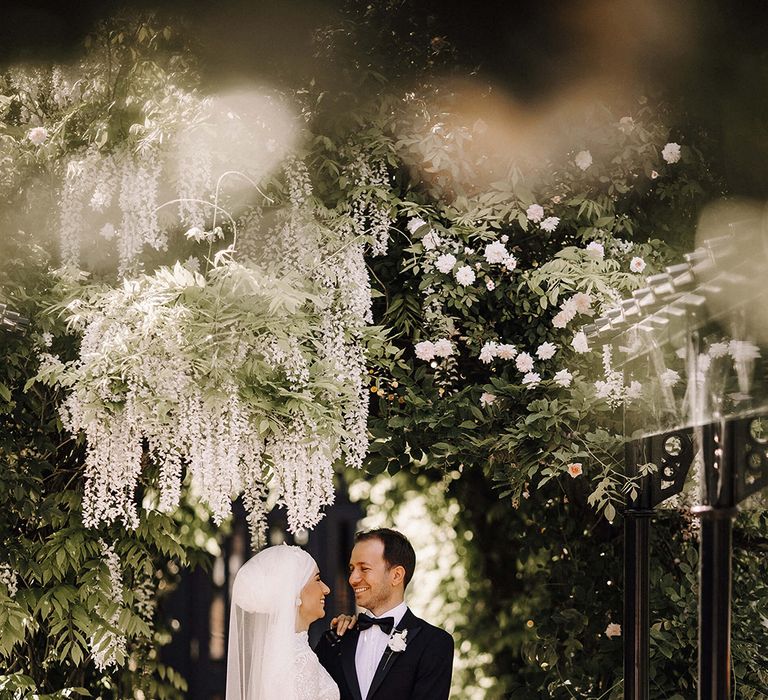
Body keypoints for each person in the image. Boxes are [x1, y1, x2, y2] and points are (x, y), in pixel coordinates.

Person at [315, 528, 454, 700]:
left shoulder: (434, 644)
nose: (352, 579)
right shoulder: (333, 640)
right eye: (352, 569)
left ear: (396, 576)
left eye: (364, 569)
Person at [226, 544, 340, 700]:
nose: (326, 589)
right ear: (294, 590)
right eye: (317, 579)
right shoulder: (302, 660)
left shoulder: (274, 653)